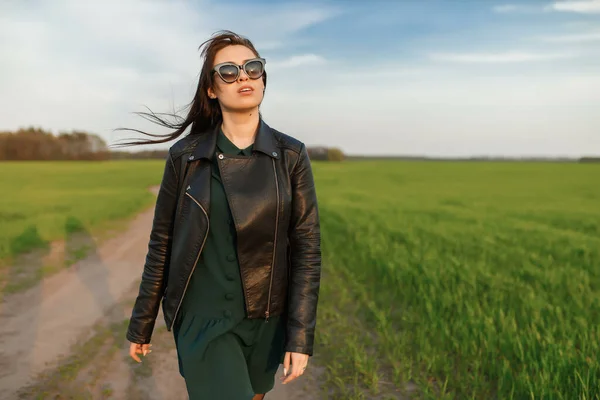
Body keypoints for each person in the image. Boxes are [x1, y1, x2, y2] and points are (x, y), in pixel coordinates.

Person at [117, 30, 322, 399]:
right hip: (204, 319)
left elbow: (307, 249)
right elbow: (161, 243)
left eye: (252, 68)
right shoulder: (186, 157)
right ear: (212, 89)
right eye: (228, 71)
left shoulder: (291, 155)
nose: (243, 76)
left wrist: (300, 336)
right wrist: (142, 321)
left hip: (266, 321)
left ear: (262, 79)